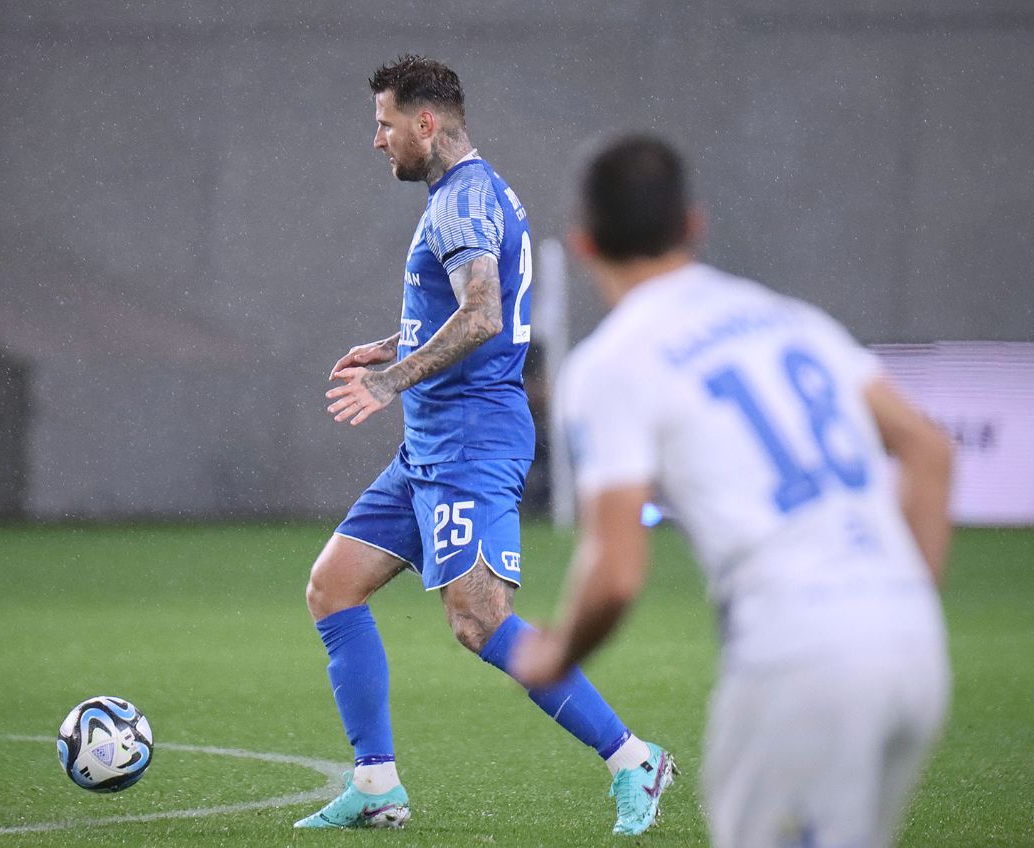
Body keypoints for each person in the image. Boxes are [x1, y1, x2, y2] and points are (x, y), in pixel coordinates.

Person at [512, 135, 953, 848]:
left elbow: (616, 572)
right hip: (914, 648)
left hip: (796, 656)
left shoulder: (611, 365)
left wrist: (557, 654)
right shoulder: (792, 320)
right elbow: (929, 451)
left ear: (584, 243)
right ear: (694, 223)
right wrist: (899, 599)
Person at [294, 57, 674, 834]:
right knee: (333, 586)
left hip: (471, 445)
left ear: (425, 122)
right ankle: (376, 785)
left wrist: (390, 379)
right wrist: (393, 343)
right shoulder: (473, 191)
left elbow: (483, 316)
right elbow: (464, 306)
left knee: (479, 621)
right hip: (430, 446)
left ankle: (633, 758)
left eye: (385, 124)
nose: (378, 140)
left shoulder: (461, 203)